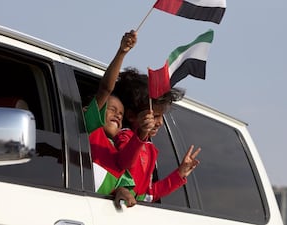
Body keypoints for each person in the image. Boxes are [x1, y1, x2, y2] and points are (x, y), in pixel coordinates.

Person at [112, 68, 201, 205]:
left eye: (161, 116)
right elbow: (125, 162)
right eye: (154, 116)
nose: (159, 123)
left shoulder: (149, 148)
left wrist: (179, 174)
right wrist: (142, 133)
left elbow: (149, 194)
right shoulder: (124, 137)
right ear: (130, 116)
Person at [84, 29, 138, 207]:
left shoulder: (118, 152)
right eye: (112, 109)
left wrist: (122, 192)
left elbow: (124, 185)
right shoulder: (90, 129)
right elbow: (105, 89)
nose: (118, 115)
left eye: (121, 114)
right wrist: (122, 52)